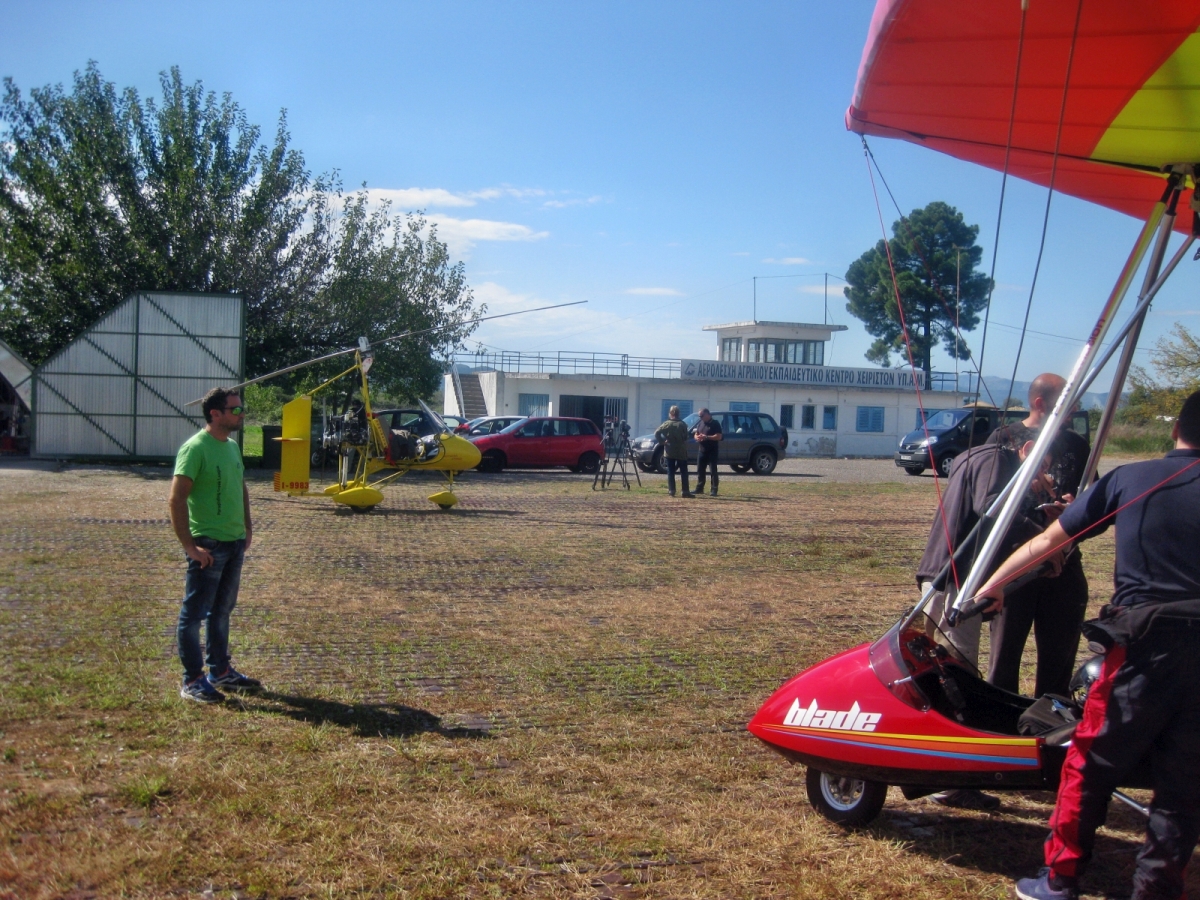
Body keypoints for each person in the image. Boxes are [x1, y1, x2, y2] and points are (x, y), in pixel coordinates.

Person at [976, 390, 1200, 900]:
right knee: (1184, 782)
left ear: (1175, 430)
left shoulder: (1133, 478)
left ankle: (1060, 880)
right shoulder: (1131, 480)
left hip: (1144, 649)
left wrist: (992, 586)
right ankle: (1156, 889)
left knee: (1089, 764)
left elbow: (1047, 541)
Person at [914, 428, 1059, 810]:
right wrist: (1045, 537)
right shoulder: (997, 461)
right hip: (955, 580)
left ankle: (945, 767)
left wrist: (1037, 513)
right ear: (1027, 449)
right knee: (955, 677)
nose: (1042, 477)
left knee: (949, 673)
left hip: (953, 577)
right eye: (1042, 467)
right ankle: (950, 779)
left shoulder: (975, 456)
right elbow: (993, 511)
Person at [986, 374, 1092, 697]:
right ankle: (1001, 720)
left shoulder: (1076, 445)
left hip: (1064, 564)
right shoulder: (1003, 439)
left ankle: (1049, 718)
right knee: (1003, 661)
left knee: (1059, 661)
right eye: (1067, 402)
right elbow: (990, 506)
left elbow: (1092, 501)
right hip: (1015, 564)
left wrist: (1073, 509)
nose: (1074, 410)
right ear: (1040, 403)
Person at [168, 387, 261, 703]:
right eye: (235, 410)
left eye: (241, 408)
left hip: (234, 543)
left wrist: (247, 526)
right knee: (193, 615)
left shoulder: (232, 447)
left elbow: (240, 486)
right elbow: (176, 499)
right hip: (208, 545)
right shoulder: (195, 449)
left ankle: (219, 671)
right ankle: (192, 680)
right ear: (215, 414)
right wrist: (190, 547)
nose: (241, 414)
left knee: (222, 610)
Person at [655, 406, 694, 498]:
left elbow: (657, 433)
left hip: (669, 449)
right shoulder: (682, 424)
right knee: (683, 471)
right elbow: (686, 437)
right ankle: (685, 491)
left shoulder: (667, 424)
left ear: (671, 413)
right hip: (681, 450)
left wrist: (662, 442)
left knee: (671, 471)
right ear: (678, 413)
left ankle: (671, 490)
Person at [694, 408, 722, 497]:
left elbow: (719, 436)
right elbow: (696, 433)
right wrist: (697, 437)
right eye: (699, 416)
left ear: (707, 414)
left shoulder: (715, 423)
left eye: (701, 416)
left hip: (712, 451)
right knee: (700, 470)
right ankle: (699, 488)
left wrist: (706, 437)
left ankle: (714, 489)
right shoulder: (701, 423)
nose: (700, 417)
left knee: (713, 470)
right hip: (702, 450)